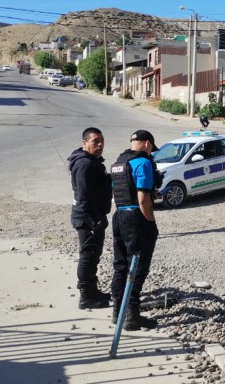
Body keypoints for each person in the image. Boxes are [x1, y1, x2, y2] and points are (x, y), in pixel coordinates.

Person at [109, 129, 160, 330]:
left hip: (119, 215)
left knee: (120, 264)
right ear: (147, 144)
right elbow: (143, 198)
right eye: (151, 148)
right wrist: (151, 221)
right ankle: (132, 315)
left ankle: (117, 313)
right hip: (136, 218)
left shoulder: (118, 163)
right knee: (137, 266)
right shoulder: (143, 163)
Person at [67, 127, 113, 310]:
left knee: (94, 256)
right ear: (84, 143)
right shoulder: (85, 164)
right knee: (87, 256)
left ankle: (93, 291)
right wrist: (94, 219)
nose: (100, 144)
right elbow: (84, 196)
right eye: (96, 141)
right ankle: (86, 296)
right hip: (87, 218)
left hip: (92, 216)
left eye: (102, 140)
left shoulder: (91, 161)